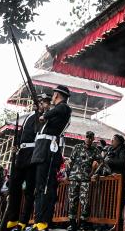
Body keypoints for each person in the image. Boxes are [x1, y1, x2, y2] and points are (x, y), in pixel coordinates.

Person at [2, 93, 50, 231]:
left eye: (44, 102)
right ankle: (12, 219)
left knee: (29, 191)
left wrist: (40, 112)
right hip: (21, 154)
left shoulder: (44, 119)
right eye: (40, 102)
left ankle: (23, 222)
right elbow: (22, 133)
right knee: (14, 186)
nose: (41, 104)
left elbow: (38, 128)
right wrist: (16, 145)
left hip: (33, 155)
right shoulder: (29, 116)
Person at [31, 85, 72, 231]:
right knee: (40, 187)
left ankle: (44, 222)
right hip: (41, 151)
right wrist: (42, 114)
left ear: (57, 95)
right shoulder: (54, 113)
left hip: (49, 151)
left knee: (47, 187)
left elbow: (58, 110)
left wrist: (45, 115)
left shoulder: (64, 108)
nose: (52, 98)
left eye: (53, 95)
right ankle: (37, 221)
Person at [66, 130, 102, 231]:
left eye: (91, 137)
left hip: (86, 179)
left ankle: (83, 224)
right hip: (74, 178)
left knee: (85, 201)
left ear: (93, 139)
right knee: (72, 200)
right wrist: (67, 174)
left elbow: (101, 162)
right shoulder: (77, 147)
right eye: (87, 137)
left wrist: (94, 172)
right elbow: (70, 161)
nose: (89, 139)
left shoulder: (95, 150)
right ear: (84, 137)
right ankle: (72, 224)